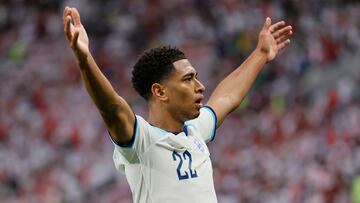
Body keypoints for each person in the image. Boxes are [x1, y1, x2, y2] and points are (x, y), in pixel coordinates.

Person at [63, 6, 292, 203]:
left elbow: (226, 98)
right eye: (188, 79)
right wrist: (85, 60)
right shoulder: (142, 141)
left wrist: (261, 54)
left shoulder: (195, 131)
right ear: (160, 91)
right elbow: (111, 107)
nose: (200, 86)